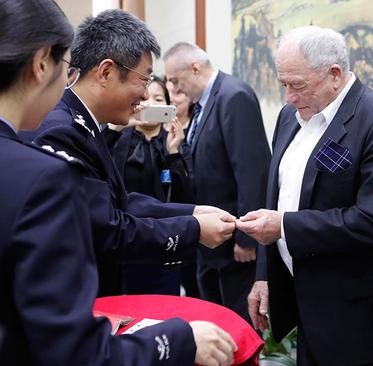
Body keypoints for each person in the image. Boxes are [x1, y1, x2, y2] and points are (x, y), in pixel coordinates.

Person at [0, 1, 236, 365]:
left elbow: (118, 201)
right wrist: (180, 340)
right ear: (41, 64)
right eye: (143, 79)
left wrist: (191, 212)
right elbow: (108, 228)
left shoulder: (82, 129)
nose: (146, 94)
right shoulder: (56, 142)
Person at [237, 26, 373, 365]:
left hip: (358, 317)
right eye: (284, 84)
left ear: (335, 74)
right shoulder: (289, 117)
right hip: (305, 308)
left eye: (298, 85)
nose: (288, 96)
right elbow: (275, 201)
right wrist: (264, 275)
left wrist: (285, 227)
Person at [164, 42, 271, 324]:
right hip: (211, 247)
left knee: (238, 328)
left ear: (195, 68)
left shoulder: (233, 96)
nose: (174, 89)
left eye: (175, 80)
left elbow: (252, 171)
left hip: (236, 246)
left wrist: (247, 237)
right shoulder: (206, 104)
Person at [106, 75, 195, 295]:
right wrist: (118, 126)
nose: (150, 104)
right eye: (144, 98)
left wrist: (174, 153)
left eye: (158, 98)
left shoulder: (175, 141)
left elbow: (187, 198)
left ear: (168, 106)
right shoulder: (119, 138)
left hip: (165, 243)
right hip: (126, 242)